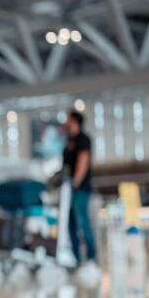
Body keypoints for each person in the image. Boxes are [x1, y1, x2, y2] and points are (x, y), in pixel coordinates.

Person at [62, 110, 97, 266]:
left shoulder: (83, 139)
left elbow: (83, 163)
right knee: (71, 224)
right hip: (68, 190)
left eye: (68, 119)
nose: (66, 122)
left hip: (80, 189)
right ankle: (76, 259)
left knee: (82, 221)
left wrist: (75, 183)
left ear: (75, 121)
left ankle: (91, 258)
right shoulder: (69, 140)